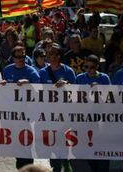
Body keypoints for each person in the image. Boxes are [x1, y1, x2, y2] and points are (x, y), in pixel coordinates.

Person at [1, 46, 40, 169]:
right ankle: (20, 166)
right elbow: (2, 89)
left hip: (28, 113)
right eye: (18, 57)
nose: (21, 59)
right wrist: (2, 84)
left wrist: (28, 83)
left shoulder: (32, 71)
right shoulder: (7, 70)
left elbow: (39, 90)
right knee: (16, 141)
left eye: (23, 56)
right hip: (12, 113)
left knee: (27, 141)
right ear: (13, 58)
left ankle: (29, 167)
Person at [38, 43, 75, 172]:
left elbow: (76, 93)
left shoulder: (68, 71)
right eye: (48, 53)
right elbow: (37, 93)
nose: (50, 56)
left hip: (64, 113)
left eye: (53, 53)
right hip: (48, 113)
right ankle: (55, 166)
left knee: (64, 139)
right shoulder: (42, 72)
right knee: (52, 139)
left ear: (59, 56)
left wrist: (67, 85)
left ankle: (66, 162)